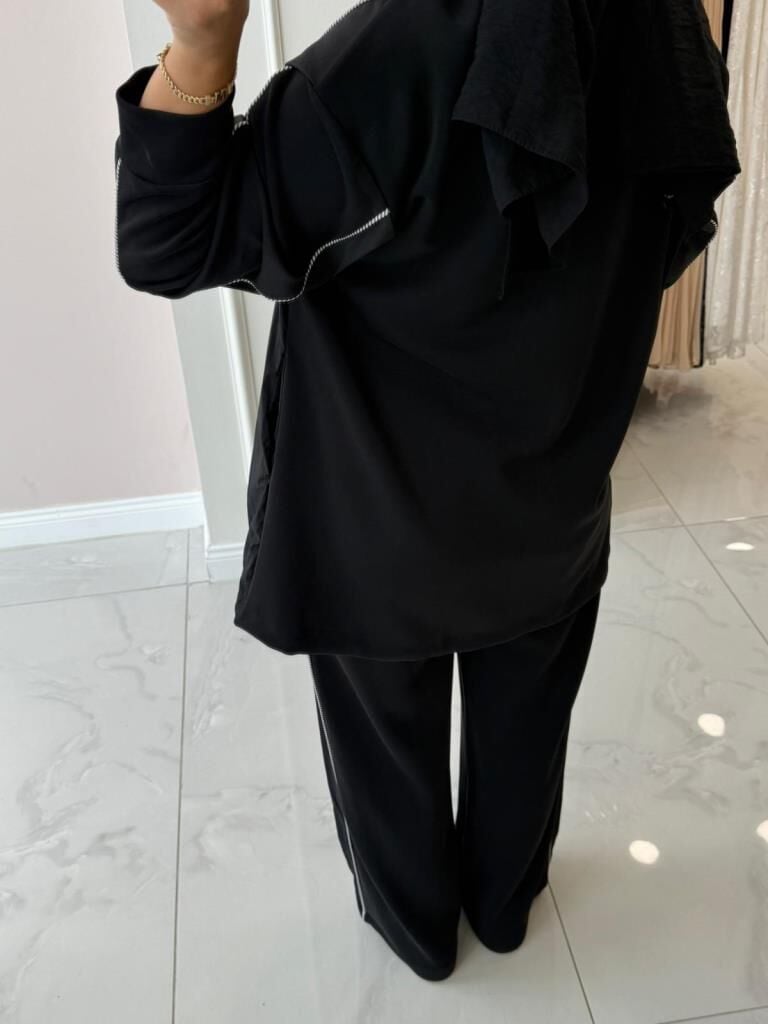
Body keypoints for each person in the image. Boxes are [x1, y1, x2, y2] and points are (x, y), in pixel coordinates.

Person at [114, 0, 740, 982]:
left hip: (378, 522)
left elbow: (168, 241)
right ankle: (504, 908)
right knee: (525, 731)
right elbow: (667, 233)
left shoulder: (397, 53)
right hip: (552, 500)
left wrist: (201, 46)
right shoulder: (668, 33)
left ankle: (417, 934)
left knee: (387, 750)